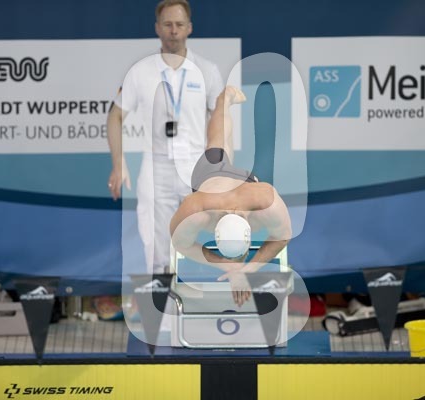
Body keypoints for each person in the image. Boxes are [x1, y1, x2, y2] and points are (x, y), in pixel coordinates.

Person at [107, 0, 223, 273]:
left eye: (179, 24)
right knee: (156, 244)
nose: (174, 30)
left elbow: (220, 119)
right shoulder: (141, 71)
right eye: (168, 24)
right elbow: (115, 116)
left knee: (204, 233)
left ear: (189, 28)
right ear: (157, 28)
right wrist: (118, 163)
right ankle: (161, 291)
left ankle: (202, 288)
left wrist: (218, 162)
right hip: (156, 163)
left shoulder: (207, 70)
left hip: (196, 164)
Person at [170, 87, 292, 305]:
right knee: (221, 144)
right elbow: (179, 244)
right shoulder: (196, 210)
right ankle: (223, 101)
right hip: (217, 179)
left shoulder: (265, 201)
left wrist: (248, 269)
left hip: (233, 180)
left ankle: (224, 101)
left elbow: (283, 235)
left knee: (220, 143)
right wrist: (230, 267)